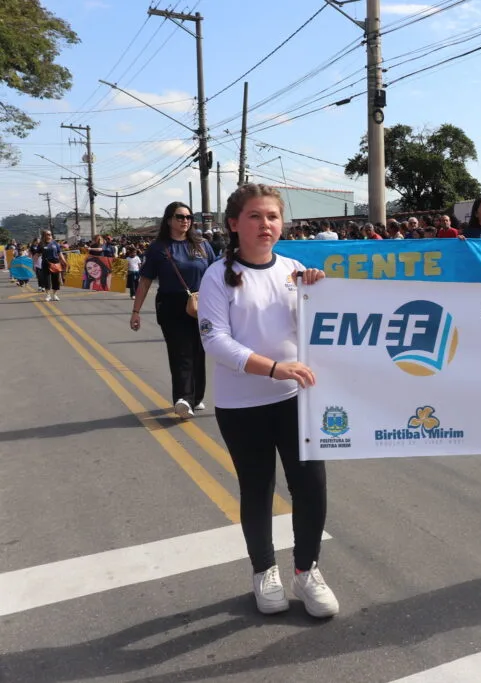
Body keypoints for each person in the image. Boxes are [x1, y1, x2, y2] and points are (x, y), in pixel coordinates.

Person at [198, 183, 338, 618]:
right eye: (255, 216)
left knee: (311, 486)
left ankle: (306, 570)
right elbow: (215, 341)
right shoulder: (216, 276)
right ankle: (264, 571)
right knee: (257, 489)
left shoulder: (296, 270)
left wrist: (320, 293)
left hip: (296, 399)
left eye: (273, 216)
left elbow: (317, 329)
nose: (265, 224)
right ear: (233, 224)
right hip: (243, 406)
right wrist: (273, 368)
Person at [130, 202, 216, 419]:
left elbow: (216, 275)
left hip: (201, 304)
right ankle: (183, 398)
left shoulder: (202, 245)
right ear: (169, 220)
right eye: (180, 217)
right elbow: (145, 281)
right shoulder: (158, 248)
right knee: (181, 351)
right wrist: (136, 311)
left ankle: (196, 396)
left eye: (188, 217)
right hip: (171, 305)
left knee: (198, 351)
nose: (185, 220)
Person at [38, 230, 67, 301]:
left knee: (56, 280)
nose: (49, 236)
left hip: (55, 263)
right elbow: (37, 254)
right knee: (47, 280)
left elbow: (59, 253)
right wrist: (34, 264)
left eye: (50, 234)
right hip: (46, 263)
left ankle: (55, 295)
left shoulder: (55, 243)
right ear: (44, 236)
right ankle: (48, 295)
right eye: (48, 234)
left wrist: (64, 261)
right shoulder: (41, 244)